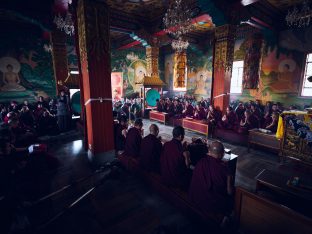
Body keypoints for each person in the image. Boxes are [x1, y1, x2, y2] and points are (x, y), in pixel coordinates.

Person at [189, 141, 233, 216]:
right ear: (222, 154)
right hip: (213, 205)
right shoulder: (225, 169)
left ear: (209, 151)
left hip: (197, 198)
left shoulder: (201, 162)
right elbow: (229, 192)